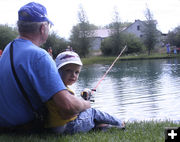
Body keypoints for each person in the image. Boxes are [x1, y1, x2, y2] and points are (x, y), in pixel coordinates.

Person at [0, 2, 90, 133]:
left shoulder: (9, 48)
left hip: (5, 128)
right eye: (49, 26)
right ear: (43, 28)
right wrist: (86, 103)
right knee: (89, 112)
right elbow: (67, 106)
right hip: (27, 129)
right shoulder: (39, 55)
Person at [45, 51, 125, 134]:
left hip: (54, 128)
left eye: (76, 72)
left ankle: (103, 127)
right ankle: (119, 122)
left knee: (86, 114)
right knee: (92, 112)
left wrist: (81, 103)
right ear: (57, 71)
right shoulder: (64, 91)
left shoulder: (55, 88)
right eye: (68, 70)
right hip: (68, 128)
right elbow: (67, 113)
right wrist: (84, 105)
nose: (73, 75)